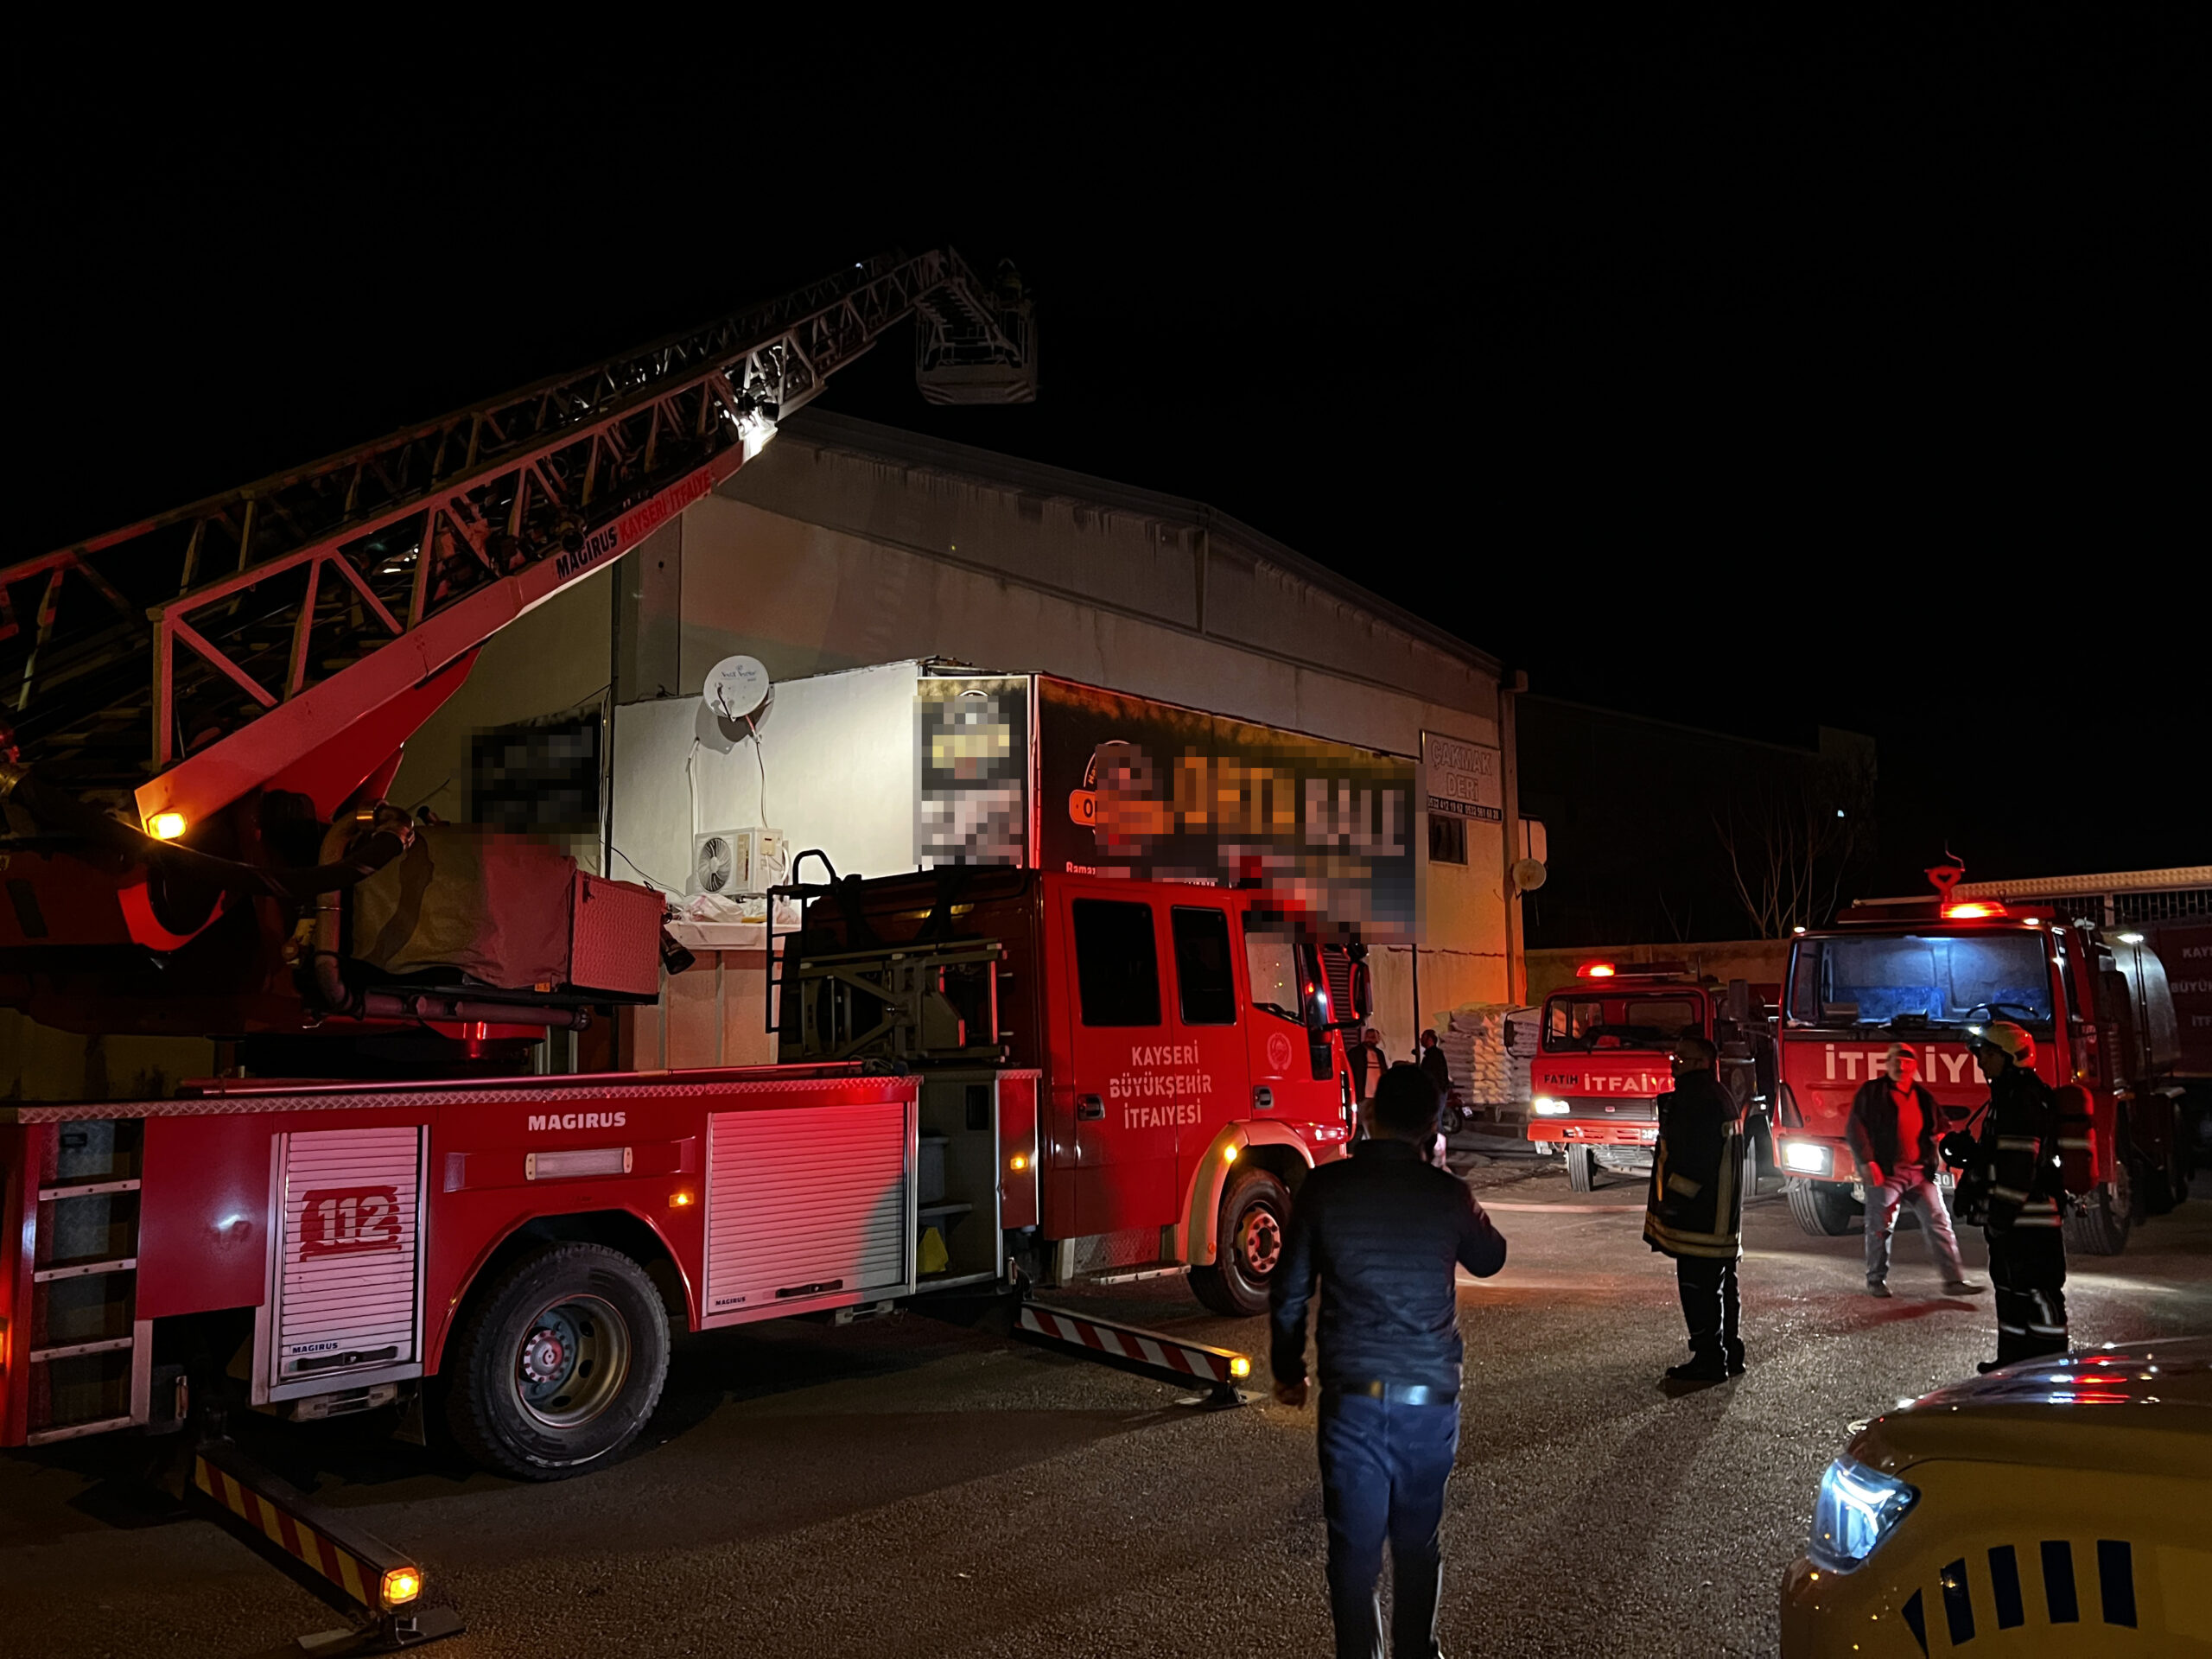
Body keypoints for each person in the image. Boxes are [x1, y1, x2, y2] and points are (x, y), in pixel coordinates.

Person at [1271, 1064, 1509, 1659]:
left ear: (1370, 1116)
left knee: (1353, 1552)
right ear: (1432, 1126)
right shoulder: (1447, 1195)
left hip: (1352, 1400)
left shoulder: (1325, 1189)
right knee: (1416, 1541)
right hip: (1429, 1398)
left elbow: (1289, 1290)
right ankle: (1416, 1651)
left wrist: (1288, 1368)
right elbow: (1490, 1258)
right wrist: (1447, 1183)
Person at [1963, 1020, 2069, 1372]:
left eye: (1988, 1054)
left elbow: (2018, 1168)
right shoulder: (2006, 1096)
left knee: (2039, 1296)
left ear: (2011, 1057)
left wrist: (1999, 1220)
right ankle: (2012, 1367)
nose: (1981, 1061)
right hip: (2014, 1224)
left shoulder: (2021, 1100)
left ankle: (2048, 1368)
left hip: (2029, 1222)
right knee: (2011, 1295)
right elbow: (2001, 1158)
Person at [1643, 1033, 1746, 1382]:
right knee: (1723, 1285)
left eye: (1681, 1058)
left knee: (1697, 1288)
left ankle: (1708, 1359)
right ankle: (1731, 1352)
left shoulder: (1695, 1099)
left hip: (1698, 1219)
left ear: (1702, 1062)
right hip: (1722, 1218)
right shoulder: (1719, 1095)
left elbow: (1692, 1161)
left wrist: (1673, 1203)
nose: (1674, 1065)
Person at [1847, 1043, 1982, 1298]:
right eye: (1896, 1060)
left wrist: (1943, 1146)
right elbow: (1856, 1129)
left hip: (1920, 1173)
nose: (1901, 1065)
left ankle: (1953, 1281)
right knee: (1879, 1226)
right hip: (1886, 1173)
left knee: (1940, 1223)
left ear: (1914, 1066)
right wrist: (1868, 1162)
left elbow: (1940, 1126)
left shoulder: (1923, 1097)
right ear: (1887, 1064)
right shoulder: (1872, 1093)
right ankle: (1876, 1279)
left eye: (1907, 1061)